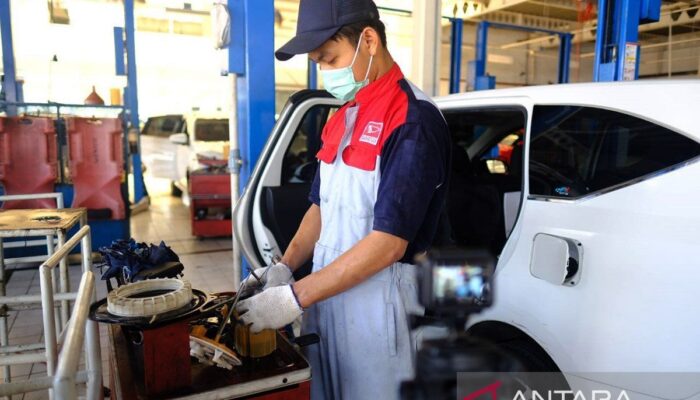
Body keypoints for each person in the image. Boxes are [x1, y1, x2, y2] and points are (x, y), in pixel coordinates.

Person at [236, 0, 451, 398]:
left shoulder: (412, 121)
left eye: (329, 58)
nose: (325, 71)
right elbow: (321, 207)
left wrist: (295, 297)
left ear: (368, 40)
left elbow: (389, 243)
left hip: (378, 306)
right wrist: (285, 268)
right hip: (327, 296)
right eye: (319, 62)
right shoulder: (343, 116)